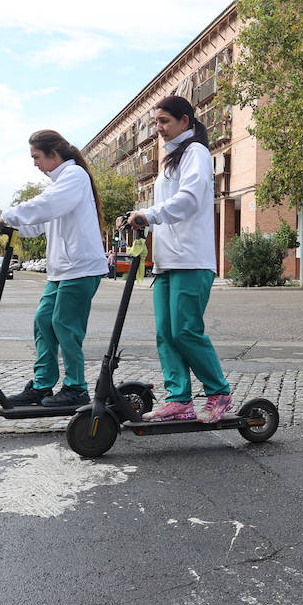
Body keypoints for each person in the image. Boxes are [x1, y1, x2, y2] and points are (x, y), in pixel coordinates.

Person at [120, 95, 233, 423]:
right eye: (156, 122)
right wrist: (138, 216)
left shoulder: (196, 152)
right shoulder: (171, 158)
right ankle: (179, 400)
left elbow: (189, 199)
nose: (158, 128)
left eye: (164, 121)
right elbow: (166, 205)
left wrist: (150, 214)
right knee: (166, 334)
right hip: (167, 261)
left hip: (191, 260)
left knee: (185, 331)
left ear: (185, 121)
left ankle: (219, 393)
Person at [0, 130, 108, 408]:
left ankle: (76, 387)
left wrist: (7, 215)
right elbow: (38, 223)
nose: (35, 164)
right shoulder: (59, 183)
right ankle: (42, 385)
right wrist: (10, 225)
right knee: (43, 321)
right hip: (61, 270)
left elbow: (46, 206)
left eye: (36, 157)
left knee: (65, 325)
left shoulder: (75, 176)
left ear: (54, 154)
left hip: (81, 267)